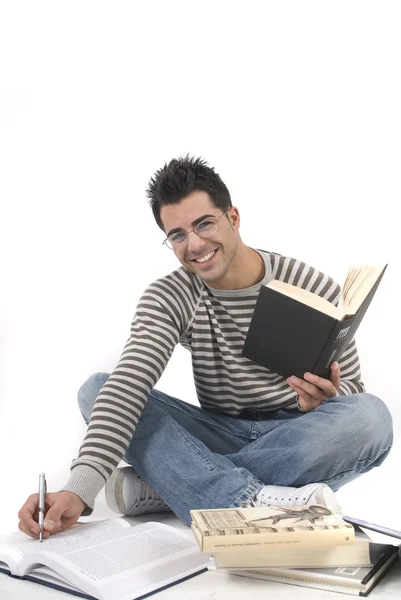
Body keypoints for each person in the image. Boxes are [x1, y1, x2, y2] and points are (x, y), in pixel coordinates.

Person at [18, 155, 393, 539]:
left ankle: (172, 483)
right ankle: (239, 500)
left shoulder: (308, 282)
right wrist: (79, 488)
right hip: (217, 430)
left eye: (204, 223)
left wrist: (324, 399)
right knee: (97, 389)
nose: (195, 244)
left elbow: (352, 393)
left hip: (297, 434)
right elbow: (130, 380)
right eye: (177, 235)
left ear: (233, 218)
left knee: (372, 417)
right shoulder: (173, 294)